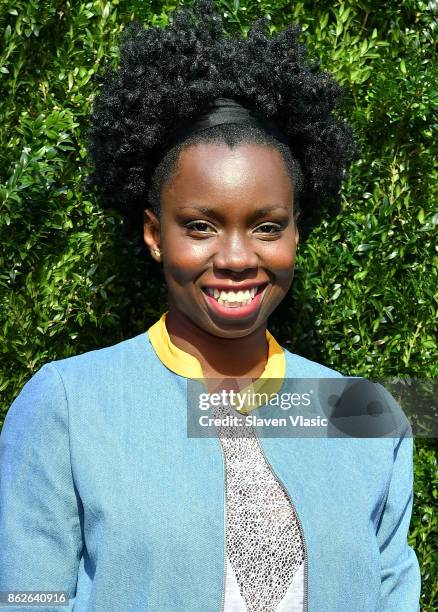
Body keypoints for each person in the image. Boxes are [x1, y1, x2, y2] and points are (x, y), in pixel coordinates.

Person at [0, 1, 421, 610]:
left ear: (297, 232)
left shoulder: (362, 412)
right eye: (200, 226)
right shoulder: (68, 405)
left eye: (267, 227)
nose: (235, 257)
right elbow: (27, 599)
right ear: (154, 233)